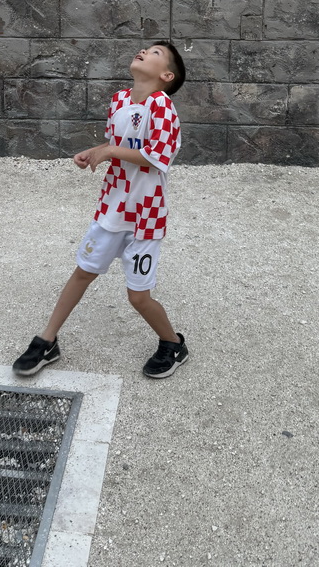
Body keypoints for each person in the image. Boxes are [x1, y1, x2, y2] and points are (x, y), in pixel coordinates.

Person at [12, 40, 188, 379]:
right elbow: (116, 145)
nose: (144, 52)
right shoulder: (120, 100)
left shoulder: (163, 107)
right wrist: (96, 151)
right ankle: (47, 340)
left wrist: (108, 151)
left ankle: (173, 343)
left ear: (166, 75)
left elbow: (157, 157)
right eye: (145, 48)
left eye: (155, 53)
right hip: (112, 209)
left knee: (138, 297)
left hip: (145, 216)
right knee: (83, 271)